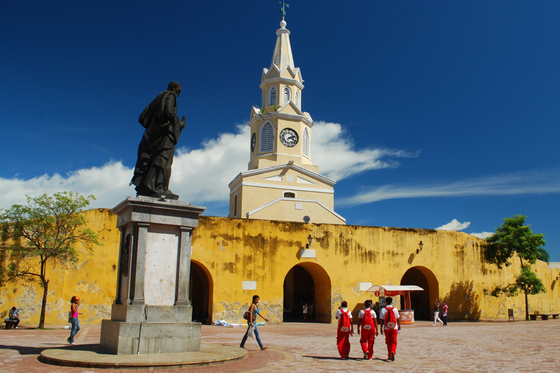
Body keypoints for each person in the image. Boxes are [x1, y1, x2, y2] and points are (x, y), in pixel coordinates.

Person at [130, 81, 187, 199]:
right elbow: (168, 113)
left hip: (152, 135)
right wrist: (179, 124)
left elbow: (143, 118)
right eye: (178, 90)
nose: (178, 94)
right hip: (165, 135)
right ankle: (159, 187)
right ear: (173, 88)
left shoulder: (155, 101)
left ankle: (147, 186)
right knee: (163, 160)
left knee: (153, 160)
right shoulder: (169, 96)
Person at [380, 297, 401, 361]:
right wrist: (399, 326)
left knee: (388, 342)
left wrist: (381, 328)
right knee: (394, 341)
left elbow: (381, 320)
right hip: (394, 327)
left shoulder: (383, 309)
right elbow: (398, 319)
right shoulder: (395, 309)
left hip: (386, 327)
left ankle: (389, 355)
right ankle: (393, 351)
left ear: (386, 302)